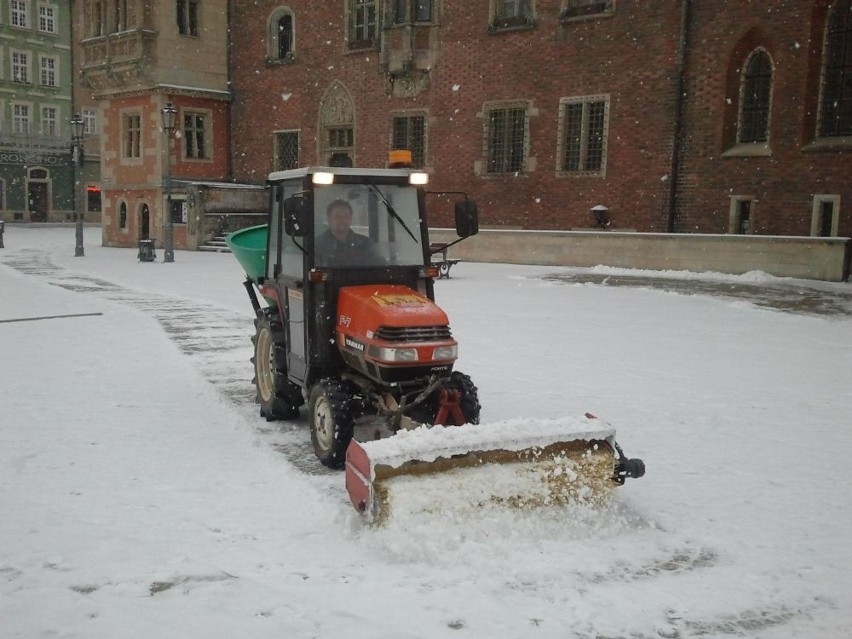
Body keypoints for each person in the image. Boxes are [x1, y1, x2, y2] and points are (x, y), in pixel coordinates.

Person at [314, 199, 379, 266]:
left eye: (345, 216)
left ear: (350, 219)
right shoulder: (317, 246)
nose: (342, 220)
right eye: (337, 216)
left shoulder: (365, 244)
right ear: (329, 219)